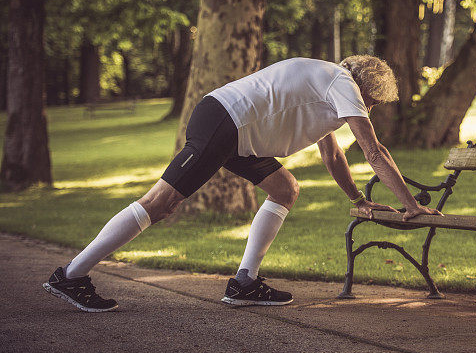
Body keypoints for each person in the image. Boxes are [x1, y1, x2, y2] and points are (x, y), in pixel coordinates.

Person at [43, 56, 442, 312]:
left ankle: (244, 283)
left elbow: (333, 155)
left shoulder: (327, 86)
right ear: (367, 89)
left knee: (285, 188)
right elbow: (374, 152)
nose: (368, 110)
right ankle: (72, 276)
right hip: (224, 124)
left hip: (235, 132)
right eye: (372, 103)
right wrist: (412, 205)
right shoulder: (343, 85)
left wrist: (358, 198)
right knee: (160, 202)